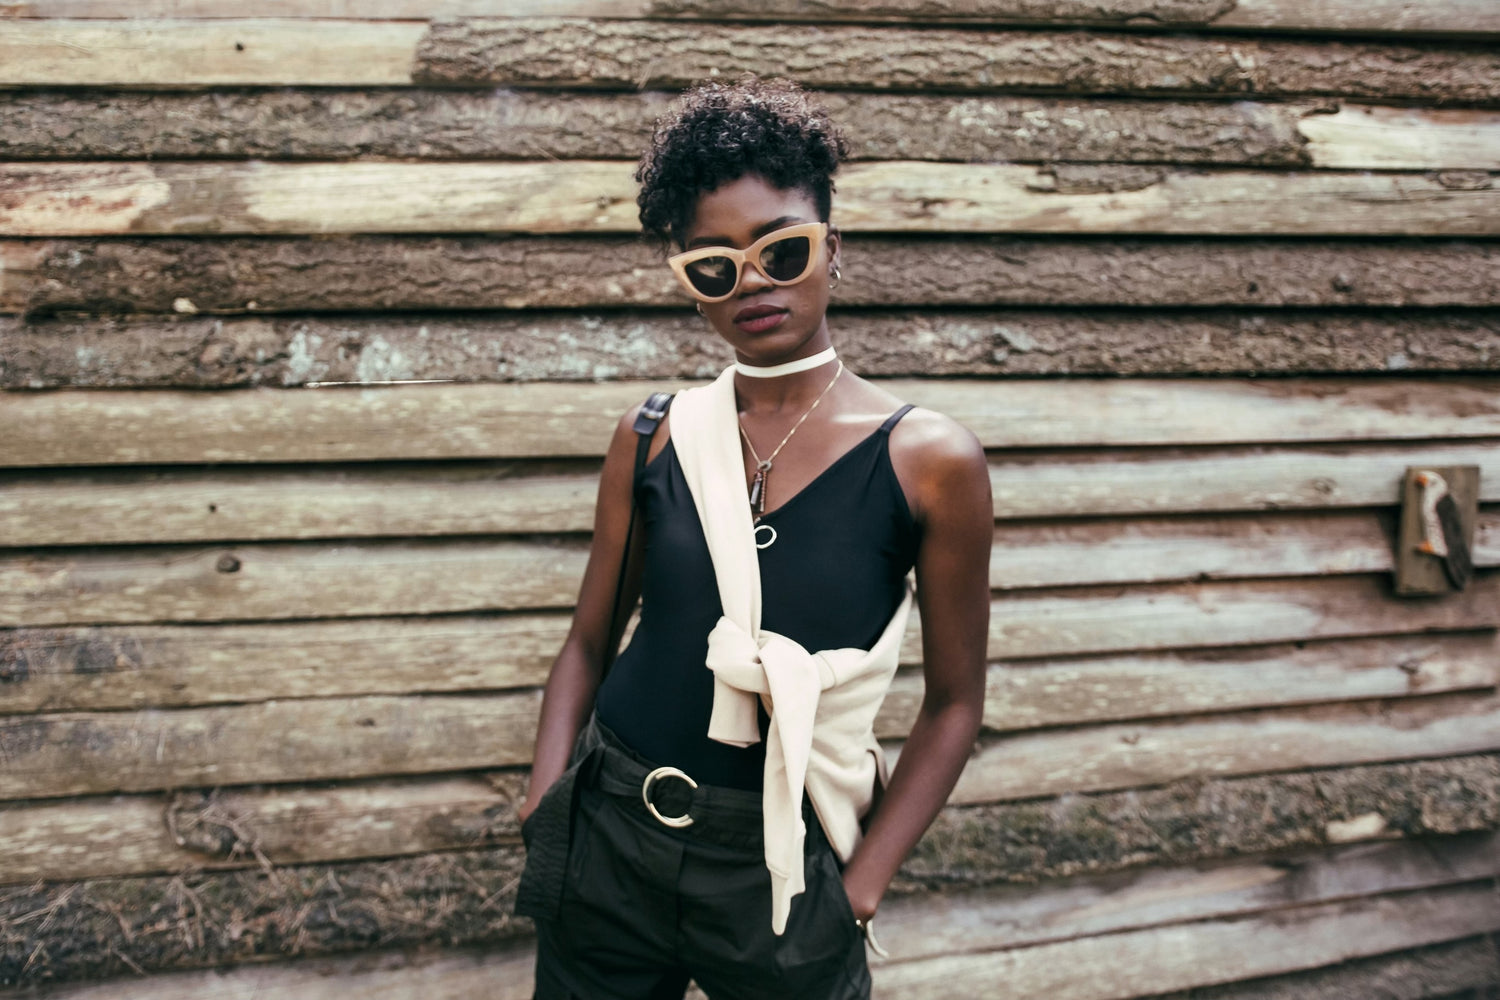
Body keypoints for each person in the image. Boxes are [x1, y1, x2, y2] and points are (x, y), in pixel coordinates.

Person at [514, 76, 992, 1000]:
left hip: (780, 871)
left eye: (783, 249)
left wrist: (858, 891)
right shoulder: (652, 434)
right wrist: (546, 801)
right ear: (691, 285)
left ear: (832, 249)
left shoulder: (929, 459)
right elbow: (588, 640)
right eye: (714, 265)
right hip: (610, 839)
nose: (754, 283)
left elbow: (955, 705)